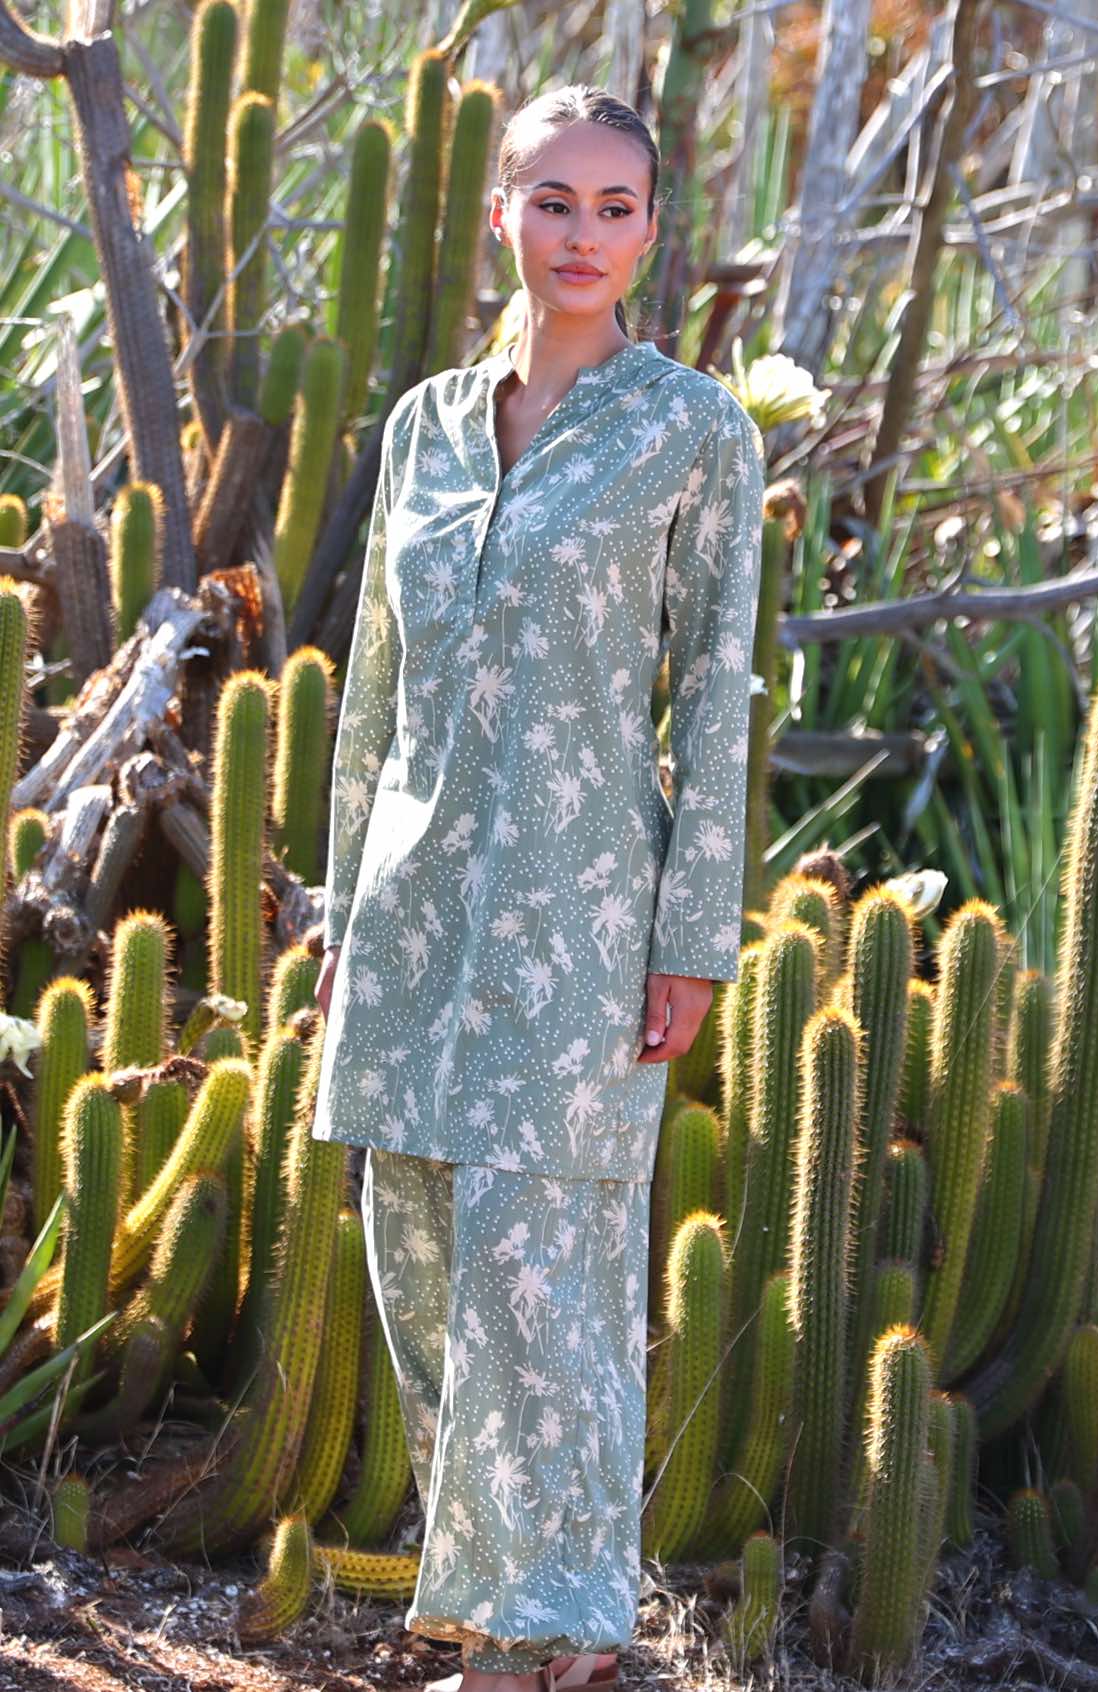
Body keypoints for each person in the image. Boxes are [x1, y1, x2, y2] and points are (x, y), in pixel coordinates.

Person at [311, 82, 766, 1692]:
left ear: (651, 228)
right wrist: (340, 910)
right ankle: (507, 1604)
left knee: (544, 1275)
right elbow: (375, 686)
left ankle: (544, 1626)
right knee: (422, 1260)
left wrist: (691, 937)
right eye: (553, 201)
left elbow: (715, 698)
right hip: (412, 906)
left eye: (614, 206)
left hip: (583, 920)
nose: (583, 234)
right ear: (501, 210)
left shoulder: (692, 431)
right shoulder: (426, 426)